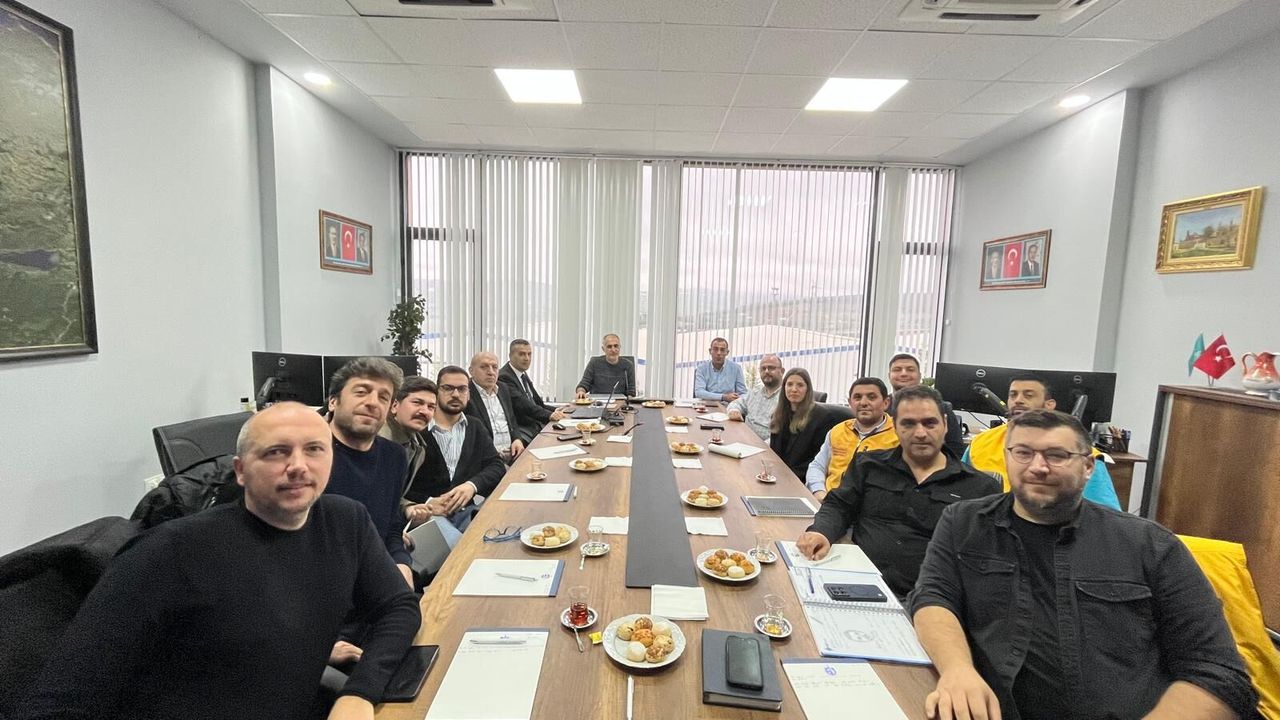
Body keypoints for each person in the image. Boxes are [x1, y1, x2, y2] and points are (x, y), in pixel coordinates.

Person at [14, 403, 421, 720]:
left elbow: (398, 605)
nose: (298, 466)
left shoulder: (345, 521)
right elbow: (60, 700)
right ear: (241, 471)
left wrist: (360, 692)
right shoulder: (168, 552)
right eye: (276, 452)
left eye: (314, 449)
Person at [909, 409, 1256, 720]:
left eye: (1056, 455)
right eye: (1023, 453)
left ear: (1089, 466)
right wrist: (957, 670)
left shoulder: (1150, 545)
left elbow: (1218, 674)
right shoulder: (964, 522)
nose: (1037, 467)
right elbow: (934, 597)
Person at [796, 386, 998, 597]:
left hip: (932, 598)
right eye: (908, 424)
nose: (920, 433)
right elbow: (839, 505)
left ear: (945, 424)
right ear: (895, 427)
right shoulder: (868, 465)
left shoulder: (980, 488)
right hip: (859, 582)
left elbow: (983, 562)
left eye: (930, 423)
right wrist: (821, 532)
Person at [963, 372, 1121, 510]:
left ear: (1049, 405)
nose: (1018, 400)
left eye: (1028, 395)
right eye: (1013, 395)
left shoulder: (1081, 454)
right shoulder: (981, 443)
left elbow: (1105, 515)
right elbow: (959, 490)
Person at [324, 357, 414, 589]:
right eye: (361, 392)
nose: (373, 403)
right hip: (322, 585)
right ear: (333, 401)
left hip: (375, 578)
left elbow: (391, 527)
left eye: (383, 397)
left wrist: (401, 563)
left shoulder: (394, 456)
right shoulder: (309, 456)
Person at [403, 365, 506, 530]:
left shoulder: (475, 426)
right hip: (425, 515)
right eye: (448, 388)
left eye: (462, 389)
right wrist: (429, 501)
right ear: (437, 392)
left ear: (468, 394)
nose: (456, 394)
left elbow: (496, 465)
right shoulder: (417, 427)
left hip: (467, 512)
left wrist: (471, 486)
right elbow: (400, 486)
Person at [804, 377, 899, 501]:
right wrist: (819, 493)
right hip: (829, 502)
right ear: (850, 402)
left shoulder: (899, 434)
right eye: (857, 397)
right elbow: (817, 466)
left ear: (886, 403)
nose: (863, 402)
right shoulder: (837, 431)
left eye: (871, 397)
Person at [887, 352, 965, 458]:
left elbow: (956, 450)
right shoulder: (880, 407)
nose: (904, 373)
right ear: (889, 376)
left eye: (910, 369)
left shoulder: (942, 408)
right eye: (897, 370)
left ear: (919, 376)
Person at [768, 368, 841, 481]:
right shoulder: (778, 414)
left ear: (808, 389)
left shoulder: (822, 418)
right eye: (789, 384)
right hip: (777, 475)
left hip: (802, 479)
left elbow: (818, 460)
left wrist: (787, 477)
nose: (794, 389)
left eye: (800, 385)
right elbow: (774, 452)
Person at [498, 338, 567, 440]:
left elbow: (536, 403)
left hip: (534, 424)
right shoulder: (504, 377)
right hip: (523, 428)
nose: (527, 358)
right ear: (510, 356)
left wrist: (556, 410)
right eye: (522, 354)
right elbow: (523, 405)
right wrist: (550, 415)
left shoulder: (522, 374)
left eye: (529, 354)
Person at [378, 376, 437, 493]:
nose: (424, 411)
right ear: (394, 406)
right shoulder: (376, 440)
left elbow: (391, 496)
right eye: (417, 403)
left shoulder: (419, 447)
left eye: (431, 407)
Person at [464, 351, 526, 462]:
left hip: (512, 452)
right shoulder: (465, 393)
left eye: (495, 367)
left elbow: (512, 420)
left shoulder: (503, 388)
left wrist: (517, 439)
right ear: (471, 371)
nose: (491, 372)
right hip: (487, 458)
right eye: (484, 367)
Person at [727, 353, 784, 442]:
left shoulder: (786, 397)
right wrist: (734, 411)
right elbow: (736, 403)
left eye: (771, 368)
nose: (766, 371)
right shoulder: (755, 392)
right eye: (763, 368)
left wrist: (761, 446)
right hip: (743, 438)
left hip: (765, 446)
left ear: (782, 371)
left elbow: (782, 436)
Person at [575, 333, 636, 398]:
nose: (613, 350)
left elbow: (631, 392)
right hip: (597, 402)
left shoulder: (628, 365)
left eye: (616, 346)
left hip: (620, 402)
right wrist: (581, 391)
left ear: (620, 347)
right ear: (603, 349)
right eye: (609, 347)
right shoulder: (594, 363)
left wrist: (627, 401)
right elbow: (584, 384)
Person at [693, 337, 747, 402]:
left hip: (729, 405)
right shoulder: (701, 368)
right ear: (710, 351)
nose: (718, 353)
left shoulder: (736, 368)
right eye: (715, 349)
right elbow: (699, 392)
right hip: (707, 405)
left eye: (722, 350)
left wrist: (736, 399)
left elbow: (743, 393)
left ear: (727, 352)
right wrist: (724, 397)